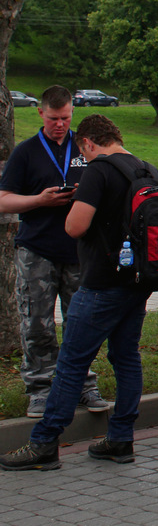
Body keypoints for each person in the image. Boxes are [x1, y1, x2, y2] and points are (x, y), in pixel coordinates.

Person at [1, 115, 157, 471]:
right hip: (138, 281)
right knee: (127, 357)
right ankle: (120, 439)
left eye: (82, 150)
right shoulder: (145, 169)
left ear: (87, 143)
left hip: (101, 283)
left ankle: (44, 443)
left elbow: (75, 226)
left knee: (71, 363)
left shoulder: (97, 172)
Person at [0, 85, 107, 419]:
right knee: (37, 323)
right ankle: (40, 389)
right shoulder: (27, 152)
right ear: (41, 113)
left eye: (66, 118)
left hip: (80, 251)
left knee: (82, 323)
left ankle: (84, 385)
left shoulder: (84, 147)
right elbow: (4, 200)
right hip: (37, 250)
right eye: (53, 118)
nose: (60, 124)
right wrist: (39, 201)